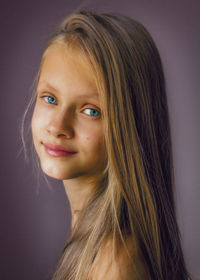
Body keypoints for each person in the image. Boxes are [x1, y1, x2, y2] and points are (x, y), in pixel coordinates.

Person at [21, 9, 192, 280]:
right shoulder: (89, 239)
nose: (57, 126)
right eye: (50, 98)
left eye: (90, 111)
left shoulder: (114, 265)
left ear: (131, 126)